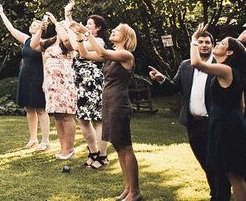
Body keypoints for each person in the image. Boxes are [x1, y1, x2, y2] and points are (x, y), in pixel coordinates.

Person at [149, 29, 230, 201]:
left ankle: (220, 196)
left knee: (217, 163)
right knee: (205, 163)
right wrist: (161, 79)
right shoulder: (186, 65)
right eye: (200, 42)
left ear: (213, 46)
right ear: (195, 45)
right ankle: (214, 192)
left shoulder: (219, 65)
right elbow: (174, 87)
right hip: (193, 123)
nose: (204, 45)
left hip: (214, 123)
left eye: (207, 42)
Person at [72, 20, 141, 201]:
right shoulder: (113, 55)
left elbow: (101, 52)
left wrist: (87, 32)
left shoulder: (126, 55)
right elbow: (84, 53)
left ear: (125, 37)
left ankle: (135, 191)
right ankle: (128, 188)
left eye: (117, 31)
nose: (113, 32)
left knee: (125, 147)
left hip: (119, 104)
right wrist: (79, 35)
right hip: (109, 103)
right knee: (118, 147)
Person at [190, 28, 246, 201]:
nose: (219, 43)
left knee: (235, 175)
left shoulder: (226, 70)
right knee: (231, 172)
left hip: (226, 126)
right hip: (226, 122)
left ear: (229, 52)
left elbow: (196, 63)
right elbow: (242, 104)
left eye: (222, 43)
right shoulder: (230, 70)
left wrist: (194, 39)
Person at [0, 2, 50, 150]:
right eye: (32, 24)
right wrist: (1, 12)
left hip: (38, 77)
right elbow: (11, 29)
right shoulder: (26, 40)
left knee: (41, 110)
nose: (31, 25)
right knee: (29, 109)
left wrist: (45, 82)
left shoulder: (42, 44)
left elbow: (45, 64)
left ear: (41, 29)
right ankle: (33, 139)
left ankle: (45, 141)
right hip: (25, 77)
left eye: (35, 25)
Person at [65, 2, 107, 169]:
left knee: (97, 119)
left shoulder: (99, 41)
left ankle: (103, 157)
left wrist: (80, 32)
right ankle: (93, 152)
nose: (86, 25)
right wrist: (67, 15)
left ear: (97, 28)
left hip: (92, 83)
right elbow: (70, 37)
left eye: (90, 24)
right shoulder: (85, 37)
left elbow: (76, 47)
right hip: (80, 83)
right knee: (82, 119)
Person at [36, 13, 77, 160]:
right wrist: (40, 29)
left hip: (65, 83)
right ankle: (63, 148)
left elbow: (66, 38)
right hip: (51, 84)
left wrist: (55, 21)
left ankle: (70, 148)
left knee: (67, 116)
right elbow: (34, 45)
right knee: (58, 117)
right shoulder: (49, 43)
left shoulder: (69, 44)